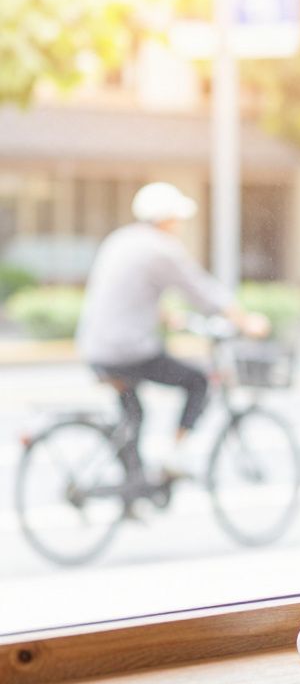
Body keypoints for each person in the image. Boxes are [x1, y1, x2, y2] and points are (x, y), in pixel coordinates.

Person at [76, 182, 269, 481]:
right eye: (177, 218)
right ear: (166, 218)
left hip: (96, 346)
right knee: (199, 381)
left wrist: (168, 316)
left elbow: (127, 292)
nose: (179, 225)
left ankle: (134, 486)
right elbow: (202, 291)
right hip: (127, 349)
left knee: (134, 416)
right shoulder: (161, 249)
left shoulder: (121, 239)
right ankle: (173, 455)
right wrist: (245, 321)